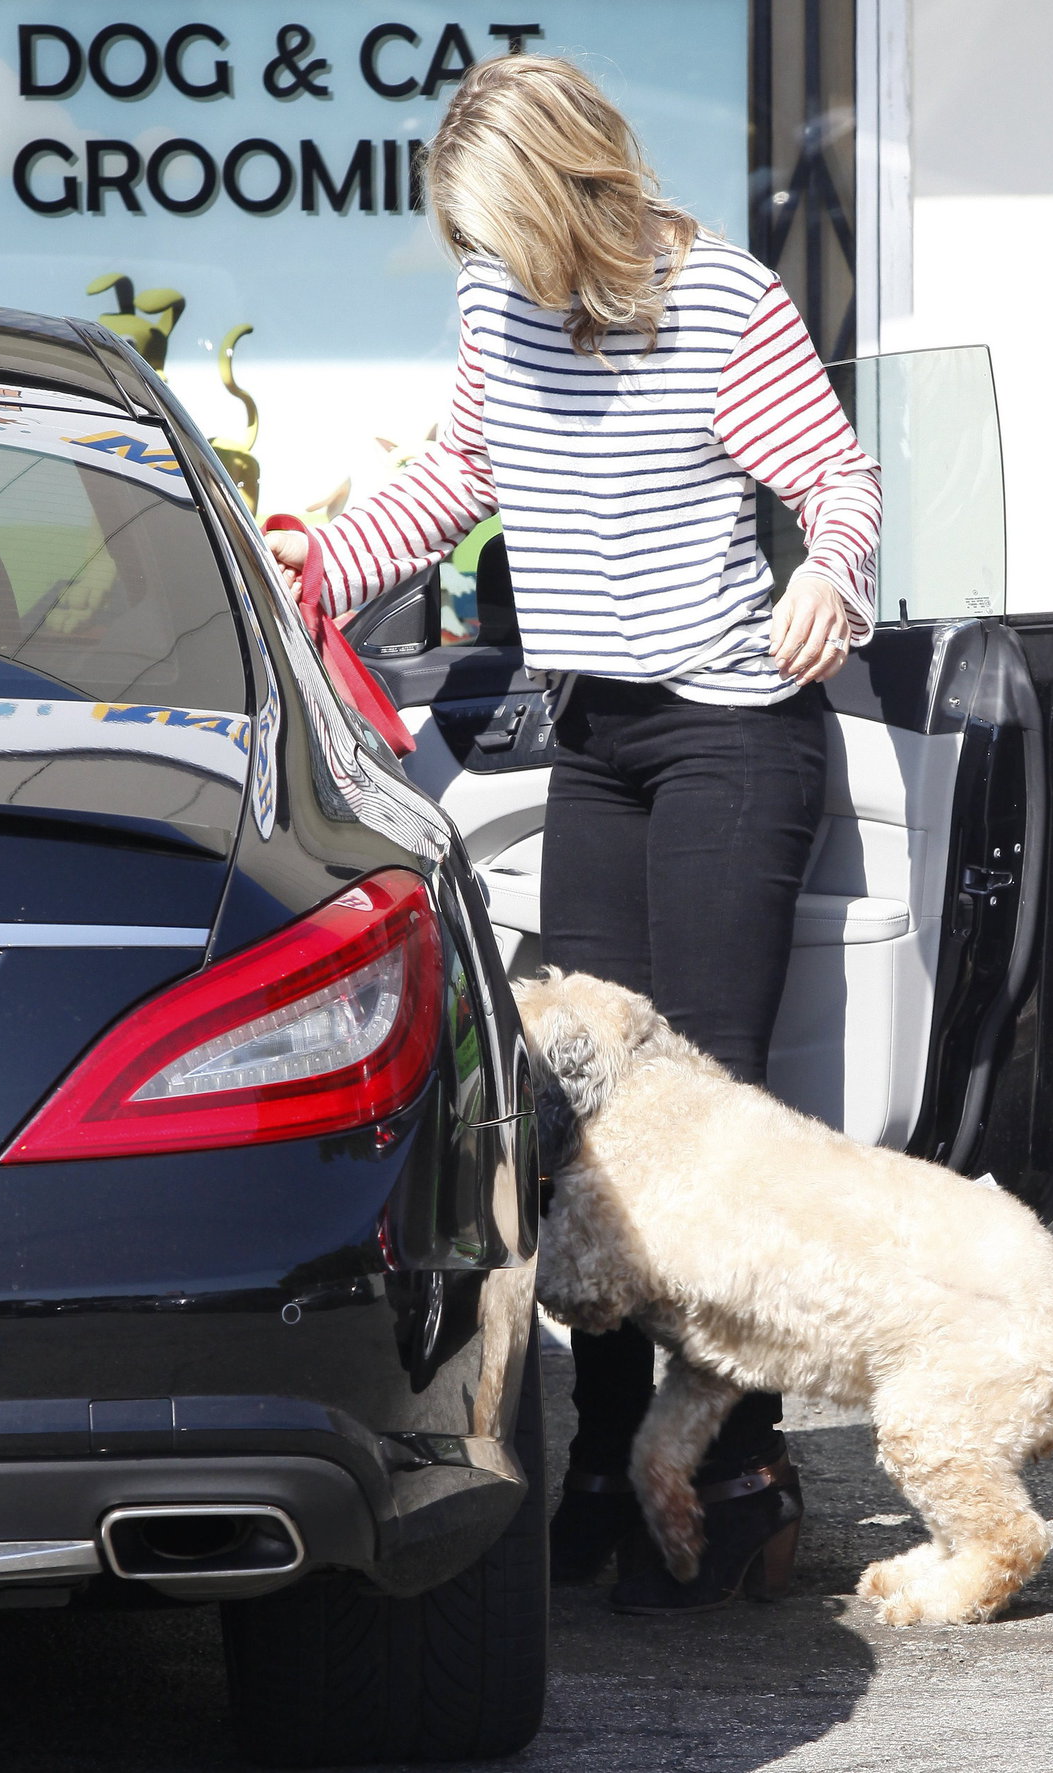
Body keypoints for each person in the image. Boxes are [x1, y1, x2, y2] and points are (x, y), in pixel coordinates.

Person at [267, 53, 882, 1614]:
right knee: (585, 1129)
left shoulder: (726, 303)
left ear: (559, 194)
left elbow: (837, 479)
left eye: (494, 230)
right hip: (598, 730)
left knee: (708, 1119)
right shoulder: (496, 313)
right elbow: (462, 476)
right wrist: (320, 565)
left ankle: (737, 1461)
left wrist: (830, 570)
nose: (482, 267)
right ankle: (609, 1455)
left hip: (737, 732)